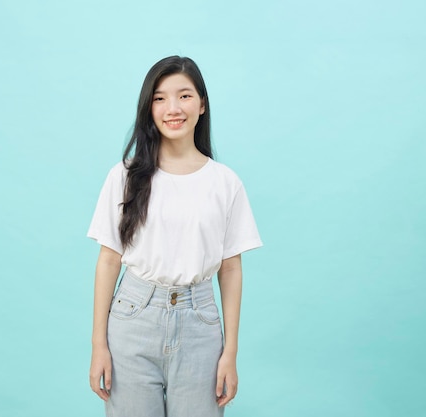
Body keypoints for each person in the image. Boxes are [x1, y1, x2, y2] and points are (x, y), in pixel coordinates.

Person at [87, 55, 262, 417]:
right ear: (148, 107)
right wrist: (98, 345)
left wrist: (231, 351)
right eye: (160, 98)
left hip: (200, 324)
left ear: (202, 104)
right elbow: (108, 260)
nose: (173, 108)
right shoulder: (124, 176)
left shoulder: (224, 183)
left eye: (184, 96)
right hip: (132, 320)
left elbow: (230, 269)